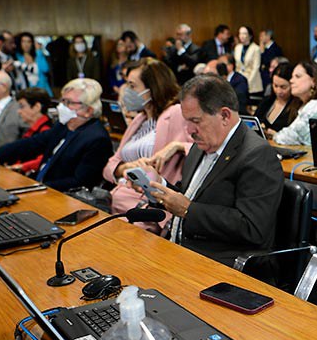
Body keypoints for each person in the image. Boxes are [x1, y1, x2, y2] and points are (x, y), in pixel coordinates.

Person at [145, 74, 284, 266]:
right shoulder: (200, 146)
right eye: (187, 121)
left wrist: (188, 210)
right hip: (181, 251)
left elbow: (253, 228)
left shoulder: (257, 155)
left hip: (221, 263)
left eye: (196, 121)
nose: (189, 130)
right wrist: (159, 188)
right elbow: (191, 198)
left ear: (224, 116)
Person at [102, 59, 192, 227]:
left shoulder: (176, 113)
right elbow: (109, 167)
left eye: (132, 85)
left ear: (153, 88)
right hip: (118, 201)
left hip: (148, 209)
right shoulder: (140, 119)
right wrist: (126, 167)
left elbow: (203, 150)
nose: (126, 91)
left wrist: (176, 146)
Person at [0, 78, 113, 192]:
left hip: (60, 196)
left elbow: (80, 182)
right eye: (62, 100)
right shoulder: (63, 126)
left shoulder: (97, 139)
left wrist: (37, 187)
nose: (61, 107)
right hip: (40, 186)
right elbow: (33, 143)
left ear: (88, 111)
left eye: (69, 102)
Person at [272, 61, 317, 145]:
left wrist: (275, 135)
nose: (291, 81)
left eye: (298, 76)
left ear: (313, 81)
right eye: (292, 77)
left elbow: (285, 137)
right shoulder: (303, 105)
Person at [7, 87, 53, 175]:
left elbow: (44, 160)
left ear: (37, 107)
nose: (19, 111)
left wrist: (21, 167)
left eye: (22, 106)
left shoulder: (47, 131)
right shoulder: (30, 129)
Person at [254, 63, 301, 133]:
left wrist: (276, 134)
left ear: (292, 85)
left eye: (283, 87)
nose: (278, 91)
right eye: (275, 86)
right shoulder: (266, 101)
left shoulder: (297, 107)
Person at [233, 25, 263, 99]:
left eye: (244, 33)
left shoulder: (256, 48)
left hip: (253, 81)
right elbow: (237, 66)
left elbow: (256, 67)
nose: (241, 36)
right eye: (240, 33)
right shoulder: (237, 48)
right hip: (240, 80)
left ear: (250, 36)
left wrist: (248, 82)